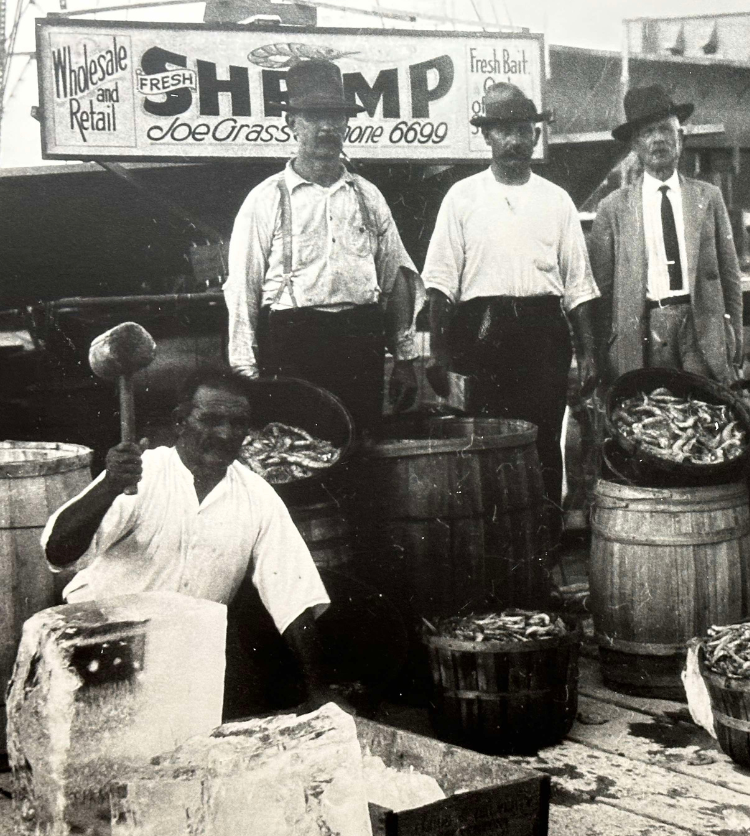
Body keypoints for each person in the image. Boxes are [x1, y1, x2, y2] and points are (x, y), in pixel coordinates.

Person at [41, 370, 341, 714]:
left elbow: (293, 594)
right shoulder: (142, 474)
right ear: (180, 421)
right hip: (101, 646)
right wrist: (109, 486)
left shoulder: (258, 495)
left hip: (187, 651)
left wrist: (320, 690)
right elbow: (58, 552)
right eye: (211, 420)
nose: (226, 434)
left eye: (238, 423)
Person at [422, 83, 599, 541]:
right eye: (505, 132)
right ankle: (493, 554)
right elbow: (439, 285)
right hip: (482, 335)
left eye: (525, 131)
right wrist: (439, 357)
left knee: (542, 445)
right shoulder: (461, 197)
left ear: (536, 137)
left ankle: (543, 553)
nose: (516, 141)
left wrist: (591, 356)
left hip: (543, 335)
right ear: (487, 137)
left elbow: (579, 287)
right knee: (486, 446)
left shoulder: (556, 200)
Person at [225, 59, 421, 434]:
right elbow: (242, 288)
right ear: (292, 124)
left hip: (359, 342)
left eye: (336, 116)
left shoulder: (367, 195)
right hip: (294, 344)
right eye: (315, 117)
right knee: (296, 452)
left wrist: (404, 357)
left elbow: (395, 278)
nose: (327, 127)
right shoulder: (265, 199)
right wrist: (244, 371)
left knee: (359, 451)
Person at [588, 85, 743, 386]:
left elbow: (730, 275)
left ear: (680, 138)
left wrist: (733, 335)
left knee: (705, 411)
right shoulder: (613, 208)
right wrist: (605, 350)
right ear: (635, 144)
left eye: (664, 130)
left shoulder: (709, 198)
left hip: (701, 329)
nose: (658, 139)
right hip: (644, 330)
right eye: (647, 133)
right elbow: (602, 292)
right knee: (649, 415)